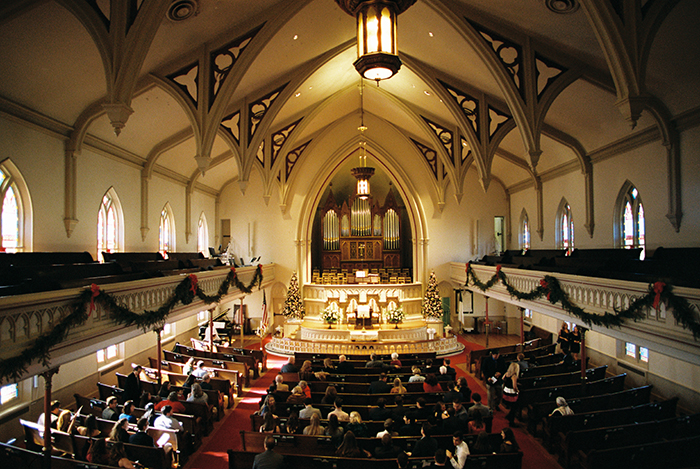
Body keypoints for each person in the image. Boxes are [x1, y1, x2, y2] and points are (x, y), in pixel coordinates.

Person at [502, 361, 520, 426]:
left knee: (513, 407)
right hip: (511, 394)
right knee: (514, 407)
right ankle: (511, 421)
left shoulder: (506, 374)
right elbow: (514, 387)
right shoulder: (514, 376)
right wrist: (518, 391)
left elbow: (503, 380)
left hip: (505, 392)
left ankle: (509, 415)